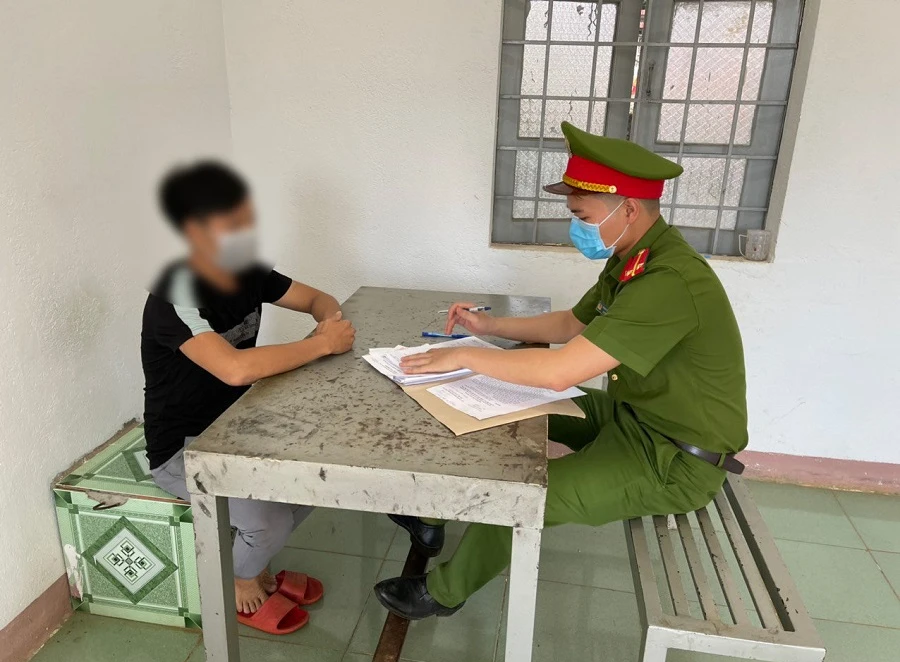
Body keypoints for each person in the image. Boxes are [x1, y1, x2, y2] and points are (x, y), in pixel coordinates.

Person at [375, 122, 748, 619]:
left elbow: (560, 371)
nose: (576, 228)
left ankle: (442, 594)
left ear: (628, 209)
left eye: (581, 216)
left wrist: (465, 355)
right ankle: (430, 519)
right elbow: (572, 322)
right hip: (632, 418)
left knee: (519, 496)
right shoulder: (635, 257)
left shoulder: (669, 280)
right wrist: (489, 327)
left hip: (673, 460)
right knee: (501, 402)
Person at [142, 161, 355, 634]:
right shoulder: (174, 298)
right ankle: (240, 578)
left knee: (313, 482)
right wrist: (321, 345)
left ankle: (255, 562)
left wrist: (328, 322)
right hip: (183, 449)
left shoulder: (249, 273)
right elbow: (234, 369)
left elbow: (318, 298)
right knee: (270, 522)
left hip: (237, 429)